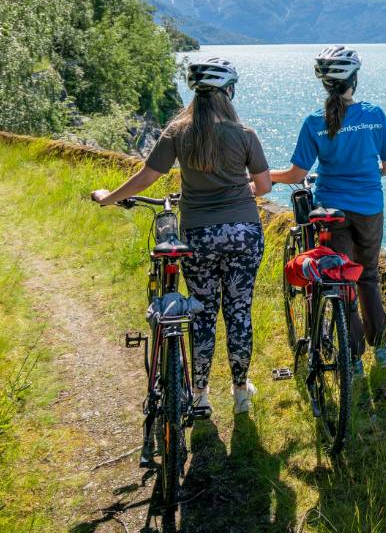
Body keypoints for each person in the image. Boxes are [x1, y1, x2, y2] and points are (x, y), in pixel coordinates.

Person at [91, 56, 271, 413]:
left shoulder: (177, 131)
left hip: (198, 235)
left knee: (202, 313)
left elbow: (147, 176)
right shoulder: (245, 135)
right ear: (228, 93)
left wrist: (109, 198)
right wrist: (236, 188)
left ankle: (200, 395)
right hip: (243, 233)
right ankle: (239, 392)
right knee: (238, 312)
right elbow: (263, 187)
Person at [271, 45, 386, 372]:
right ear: (353, 80)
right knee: (367, 275)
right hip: (369, 207)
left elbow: (297, 175)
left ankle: (352, 357)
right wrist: (369, 172)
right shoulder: (374, 115)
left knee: (339, 279)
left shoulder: (314, 122)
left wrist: (268, 177)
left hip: (331, 212)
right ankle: (383, 347)